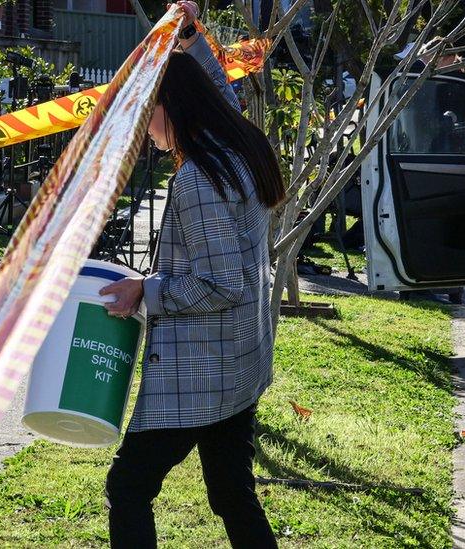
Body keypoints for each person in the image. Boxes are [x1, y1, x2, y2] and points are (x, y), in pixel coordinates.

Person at [97, 2, 284, 547]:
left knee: (127, 488)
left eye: (146, 112)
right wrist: (190, 39)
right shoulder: (236, 146)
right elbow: (219, 92)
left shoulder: (197, 180)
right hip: (240, 366)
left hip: (197, 375)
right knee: (231, 493)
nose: (142, 128)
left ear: (170, 107)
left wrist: (144, 292)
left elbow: (225, 283)